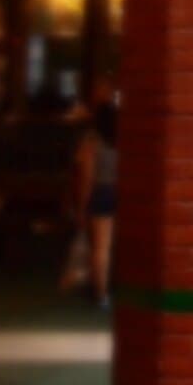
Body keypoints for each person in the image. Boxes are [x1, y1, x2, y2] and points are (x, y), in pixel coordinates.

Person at [76, 82, 119, 309]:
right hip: (121, 191)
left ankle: (101, 293)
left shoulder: (92, 141)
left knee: (101, 247)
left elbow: (87, 176)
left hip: (101, 192)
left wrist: (82, 206)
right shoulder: (123, 140)